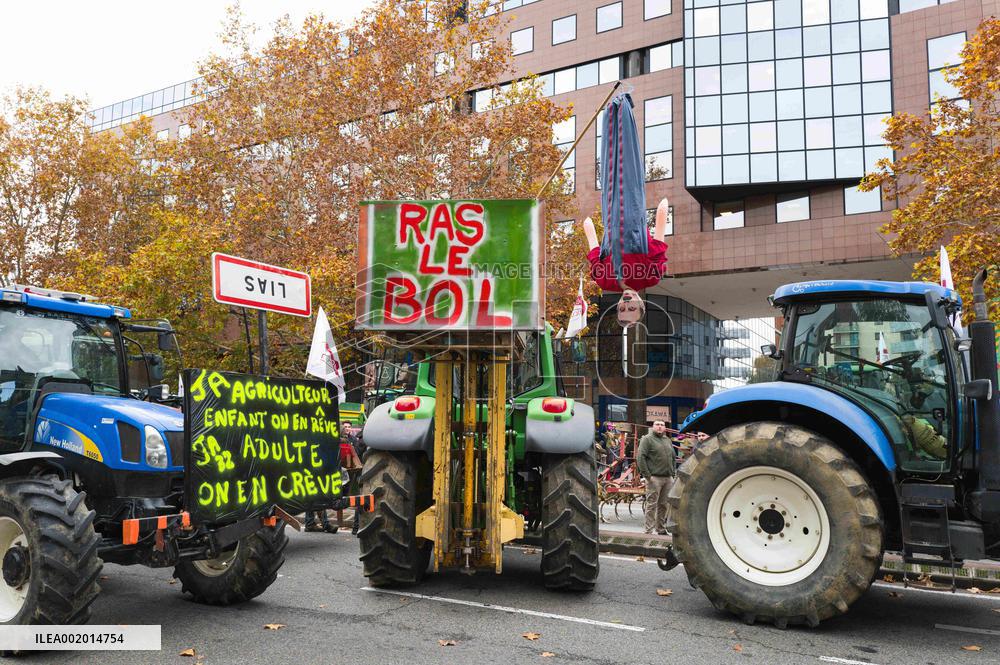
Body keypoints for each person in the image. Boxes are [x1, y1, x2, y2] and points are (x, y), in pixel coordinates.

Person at [637, 420, 676, 535]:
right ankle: (648, 530)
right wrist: (648, 476)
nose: (660, 427)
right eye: (657, 425)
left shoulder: (667, 440)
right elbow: (641, 457)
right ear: (653, 427)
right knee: (651, 504)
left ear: (664, 428)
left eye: (662, 425)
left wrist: (672, 473)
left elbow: (673, 457)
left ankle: (660, 529)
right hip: (654, 478)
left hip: (668, 478)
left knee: (664, 505)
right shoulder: (647, 439)